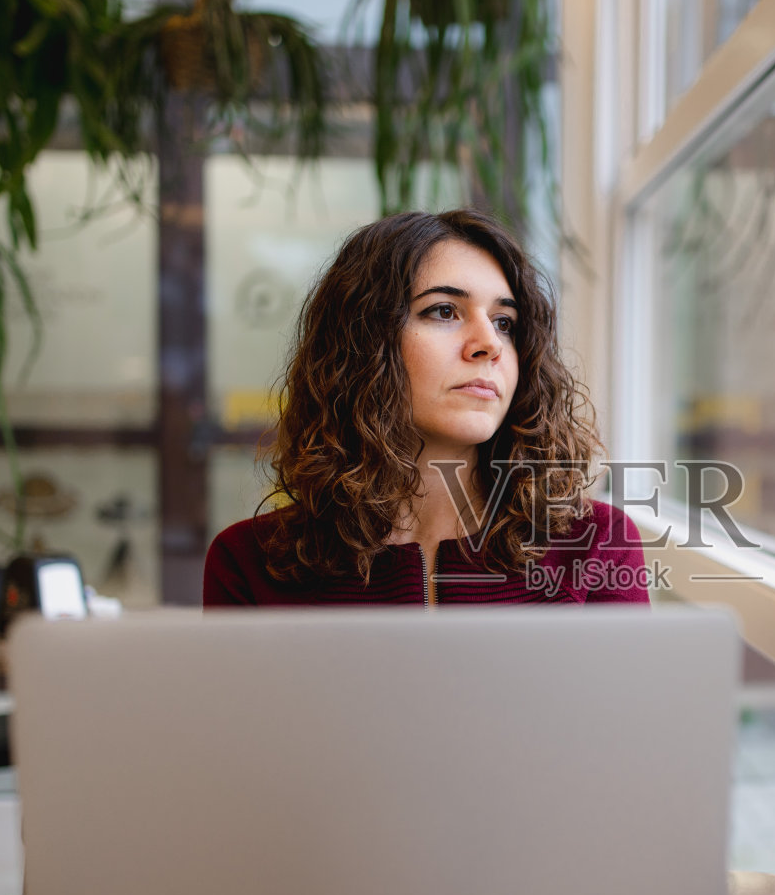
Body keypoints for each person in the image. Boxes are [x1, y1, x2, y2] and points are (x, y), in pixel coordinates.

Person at [203, 209, 649, 607]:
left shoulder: (596, 543)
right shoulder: (249, 562)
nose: (489, 344)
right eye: (443, 311)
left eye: (504, 322)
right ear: (363, 345)